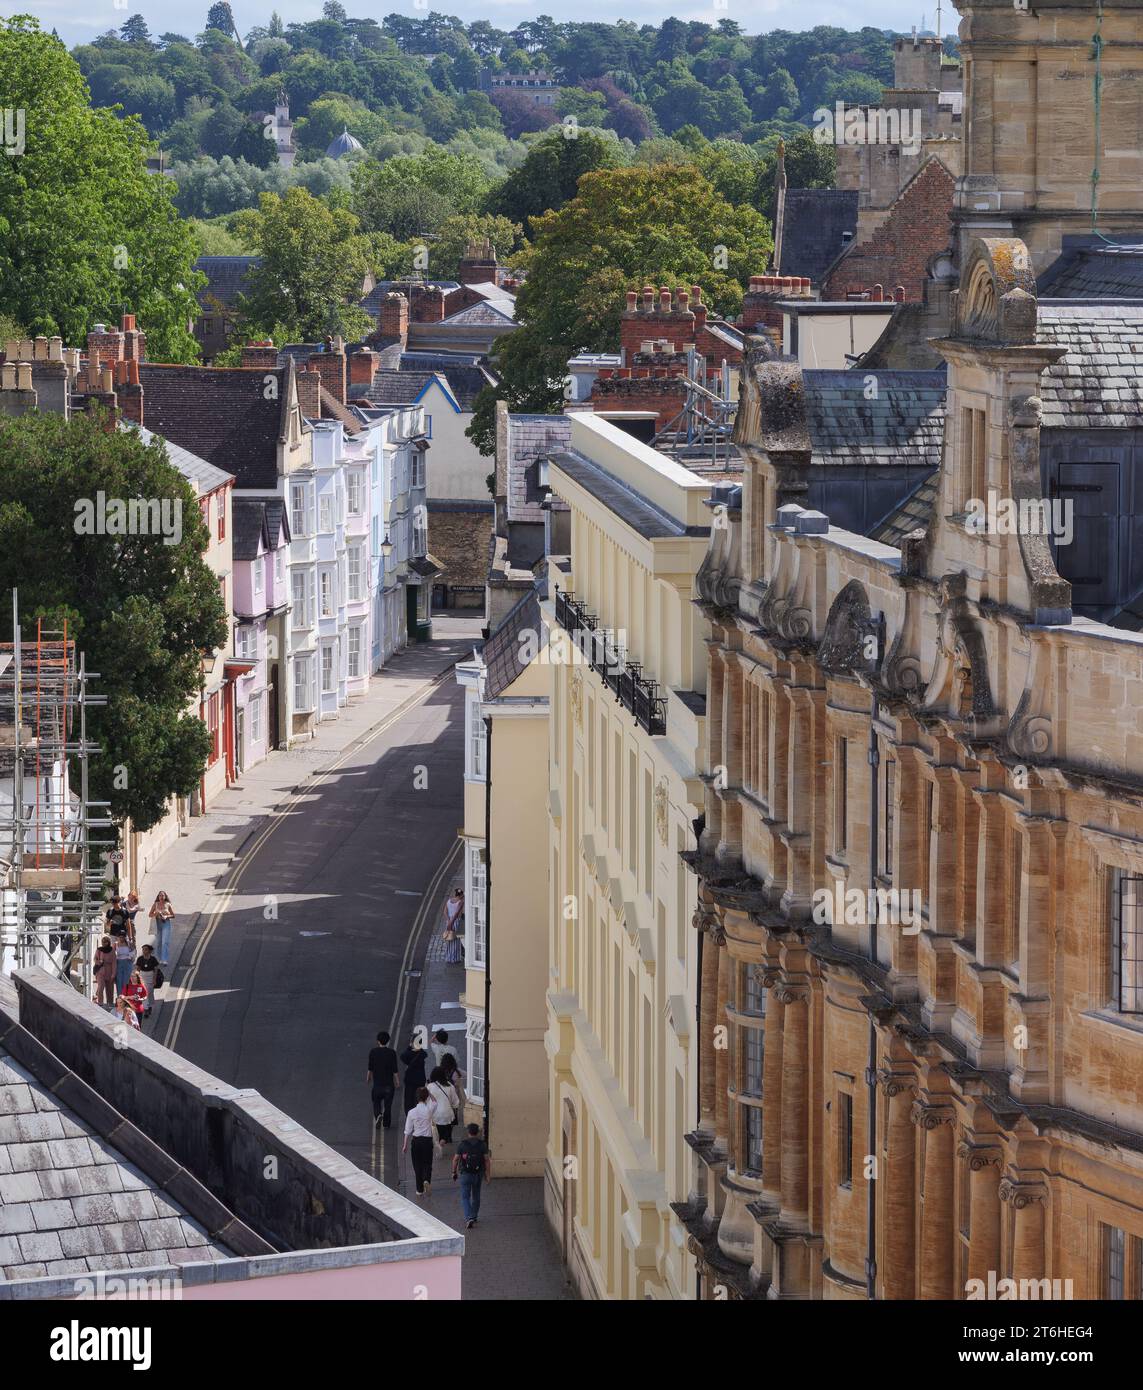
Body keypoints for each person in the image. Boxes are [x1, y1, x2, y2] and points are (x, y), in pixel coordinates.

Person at [402, 1087, 439, 1198]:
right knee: (427, 1163)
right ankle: (426, 1180)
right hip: (427, 1141)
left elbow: (407, 1130)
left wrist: (404, 1145)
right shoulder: (429, 1110)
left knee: (417, 1165)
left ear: (416, 1097)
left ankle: (419, 1190)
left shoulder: (411, 1112)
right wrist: (429, 1092)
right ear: (426, 1097)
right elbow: (435, 1102)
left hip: (416, 1141)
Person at [452, 1123, 490, 1229]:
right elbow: (486, 1160)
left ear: (468, 1132)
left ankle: (469, 1218)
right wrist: (488, 1175)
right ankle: (474, 1216)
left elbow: (455, 1160)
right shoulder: (482, 1144)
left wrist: (453, 1172)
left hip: (465, 1174)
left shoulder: (462, 1144)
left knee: (465, 1197)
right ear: (477, 1132)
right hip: (478, 1174)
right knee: (476, 1196)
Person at [367, 1030, 400, 1129]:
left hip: (377, 1085)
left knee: (376, 1102)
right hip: (389, 1086)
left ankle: (378, 1115)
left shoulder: (373, 1052)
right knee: (388, 1105)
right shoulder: (392, 1053)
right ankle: (386, 1123)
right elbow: (395, 1070)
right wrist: (397, 1081)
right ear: (388, 1041)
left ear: (378, 1041)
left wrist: (368, 1078)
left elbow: (370, 1068)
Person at [426, 1066, 459, 1148]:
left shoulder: (430, 1086)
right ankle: (443, 1140)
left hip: (435, 1114)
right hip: (447, 1113)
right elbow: (456, 1102)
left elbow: (426, 1101)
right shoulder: (450, 1086)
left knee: (436, 1131)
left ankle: (438, 1142)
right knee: (445, 1131)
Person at [400, 1037, 428, 1115]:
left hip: (410, 1080)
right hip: (420, 1079)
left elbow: (402, 1057)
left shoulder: (408, 1054)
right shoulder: (422, 1054)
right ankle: (420, 1114)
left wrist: (409, 1047)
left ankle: (410, 1116)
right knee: (419, 1098)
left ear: (412, 1043)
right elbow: (424, 1053)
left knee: (409, 1099)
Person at [134, 945, 163, 1018]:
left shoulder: (153, 959)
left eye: (146, 950)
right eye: (143, 949)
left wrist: (154, 979)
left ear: (149, 951)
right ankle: (146, 1009)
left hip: (150, 976)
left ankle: (149, 1006)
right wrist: (136, 975)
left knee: (150, 993)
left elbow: (156, 969)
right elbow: (138, 969)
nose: (144, 951)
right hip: (142, 976)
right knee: (145, 992)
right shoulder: (140, 959)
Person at [148, 891, 175, 966]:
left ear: (165, 897)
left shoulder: (168, 904)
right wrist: (155, 914)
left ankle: (164, 959)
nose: (161, 897)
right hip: (157, 923)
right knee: (158, 942)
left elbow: (173, 915)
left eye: (163, 896)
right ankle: (158, 959)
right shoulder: (155, 904)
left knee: (165, 942)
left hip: (166, 923)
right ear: (158, 897)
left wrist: (166, 916)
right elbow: (150, 914)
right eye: (160, 896)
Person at [93, 937, 117, 1009]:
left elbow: (114, 963)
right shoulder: (99, 950)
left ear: (108, 942)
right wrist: (98, 962)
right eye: (103, 942)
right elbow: (95, 958)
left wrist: (113, 973)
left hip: (109, 970)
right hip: (100, 970)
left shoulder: (112, 950)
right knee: (101, 987)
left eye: (105, 942)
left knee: (109, 988)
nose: (104, 943)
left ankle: (110, 1002)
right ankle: (100, 1003)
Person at [441, 1052, 466, 1119]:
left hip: (444, 1093)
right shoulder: (456, 1071)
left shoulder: (441, 1071)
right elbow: (466, 1074)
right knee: (454, 1109)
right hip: (455, 1093)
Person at [442, 888, 464, 965]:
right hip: (456, 921)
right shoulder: (460, 902)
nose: (463, 896)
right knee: (456, 940)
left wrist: (448, 921)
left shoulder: (449, 901)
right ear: (460, 895)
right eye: (462, 894)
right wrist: (451, 922)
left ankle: (449, 957)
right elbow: (457, 913)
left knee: (449, 939)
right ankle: (455, 958)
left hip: (448, 921)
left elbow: (445, 912)